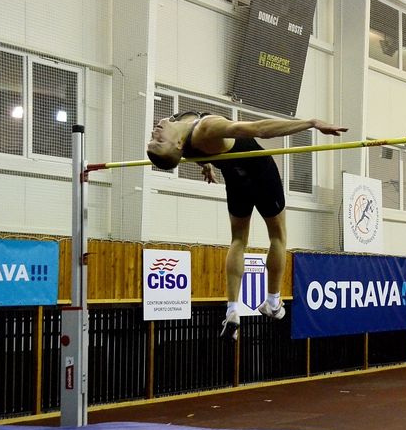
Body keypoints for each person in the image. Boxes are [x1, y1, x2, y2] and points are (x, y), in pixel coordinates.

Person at [146, 111, 347, 340]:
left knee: (238, 240)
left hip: (235, 180)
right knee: (278, 236)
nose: (154, 133)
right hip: (261, 173)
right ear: (177, 144)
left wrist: (206, 164)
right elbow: (260, 130)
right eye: (158, 141)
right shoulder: (206, 128)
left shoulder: (187, 145)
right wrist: (311, 122)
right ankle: (273, 301)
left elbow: (197, 149)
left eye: (153, 139)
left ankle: (232, 310)